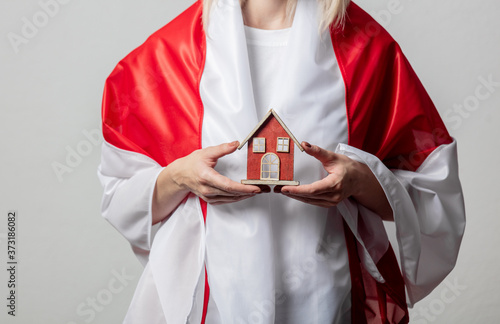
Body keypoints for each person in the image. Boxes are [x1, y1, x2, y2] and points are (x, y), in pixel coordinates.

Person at [98, 0, 466, 323]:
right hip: (208, 300)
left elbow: (433, 191)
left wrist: (359, 180)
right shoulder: (170, 54)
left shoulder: (364, 48)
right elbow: (120, 195)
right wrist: (179, 177)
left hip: (330, 295)